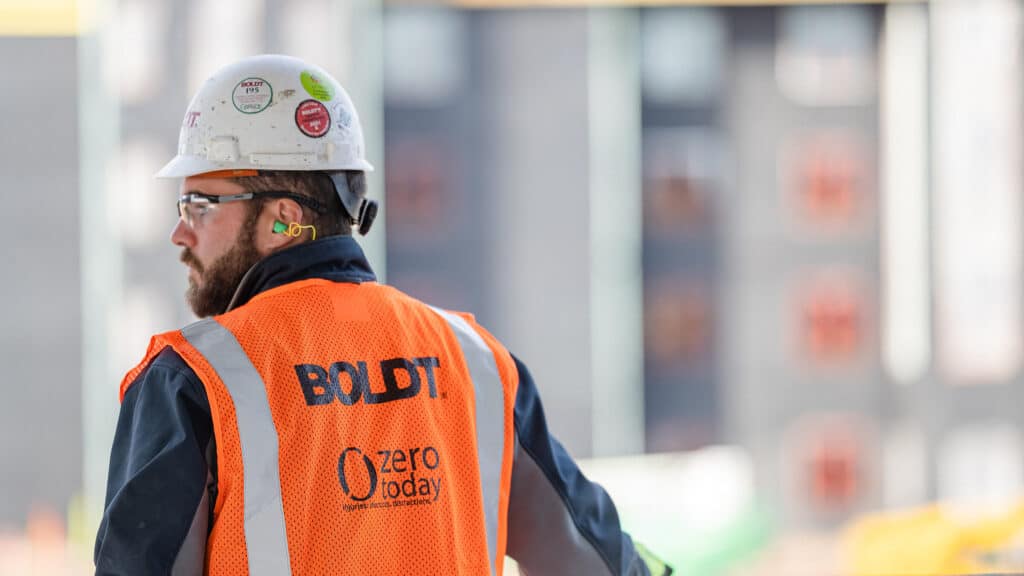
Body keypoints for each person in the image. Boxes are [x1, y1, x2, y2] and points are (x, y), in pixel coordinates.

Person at [94, 54, 670, 576]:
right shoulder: (475, 363)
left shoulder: (192, 379)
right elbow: (593, 559)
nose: (179, 232)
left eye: (200, 204)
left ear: (282, 218)